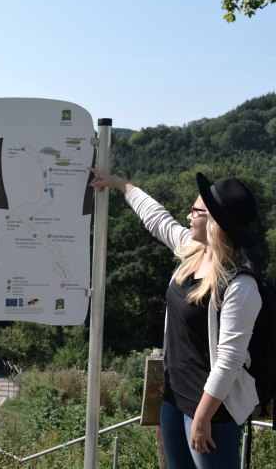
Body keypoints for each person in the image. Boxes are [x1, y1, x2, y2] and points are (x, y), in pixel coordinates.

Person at [90, 169, 261, 469]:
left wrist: (202, 418)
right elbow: (158, 219)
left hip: (213, 412)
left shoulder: (241, 285)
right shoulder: (194, 252)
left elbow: (229, 360)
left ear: (215, 224)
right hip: (173, 398)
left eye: (196, 210)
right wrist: (121, 185)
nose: (188, 215)